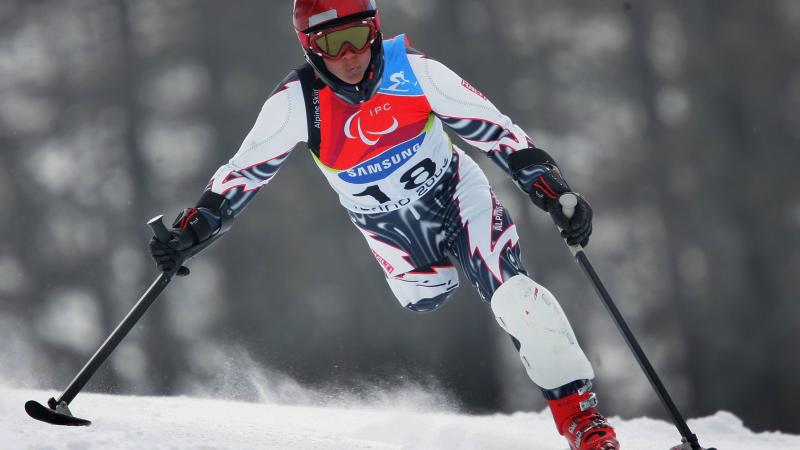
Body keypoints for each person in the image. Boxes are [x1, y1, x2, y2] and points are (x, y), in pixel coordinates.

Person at [149, 1, 619, 449]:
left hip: (456, 198)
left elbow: (496, 130)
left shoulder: (413, 71)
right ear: (311, 49)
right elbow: (242, 173)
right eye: (332, 45)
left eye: (356, 37)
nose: (349, 56)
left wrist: (553, 188)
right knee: (424, 297)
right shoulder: (298, 103)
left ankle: (583, 423)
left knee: (514, 293)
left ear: (374, 30)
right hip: (390, 232)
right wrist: (195, 227)